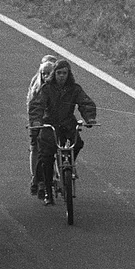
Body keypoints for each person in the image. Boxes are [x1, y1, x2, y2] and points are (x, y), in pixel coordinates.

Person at [29, 59, 97, 205]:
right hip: (50, 124)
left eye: (64, 73)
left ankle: (68, 164)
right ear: (54, 74)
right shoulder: (46, 89)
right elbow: (37, 105)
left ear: (68, 74)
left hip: (67, 123)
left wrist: (90, 118)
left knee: (78, 143)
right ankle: (47, 191)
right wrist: (36, 121)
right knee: (46, 156)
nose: (61, 76)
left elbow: (85, 103)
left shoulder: (75, 89)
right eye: (59, 73)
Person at [26, 55, 57, 195]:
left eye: (49, 73)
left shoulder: (60, 85)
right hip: (38, 120)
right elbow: (32, 105)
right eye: (44, 73)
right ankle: (35, 178)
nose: (46, 76)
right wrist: (35, 122)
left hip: (53, 119)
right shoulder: (36, 84)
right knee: (36, 147)